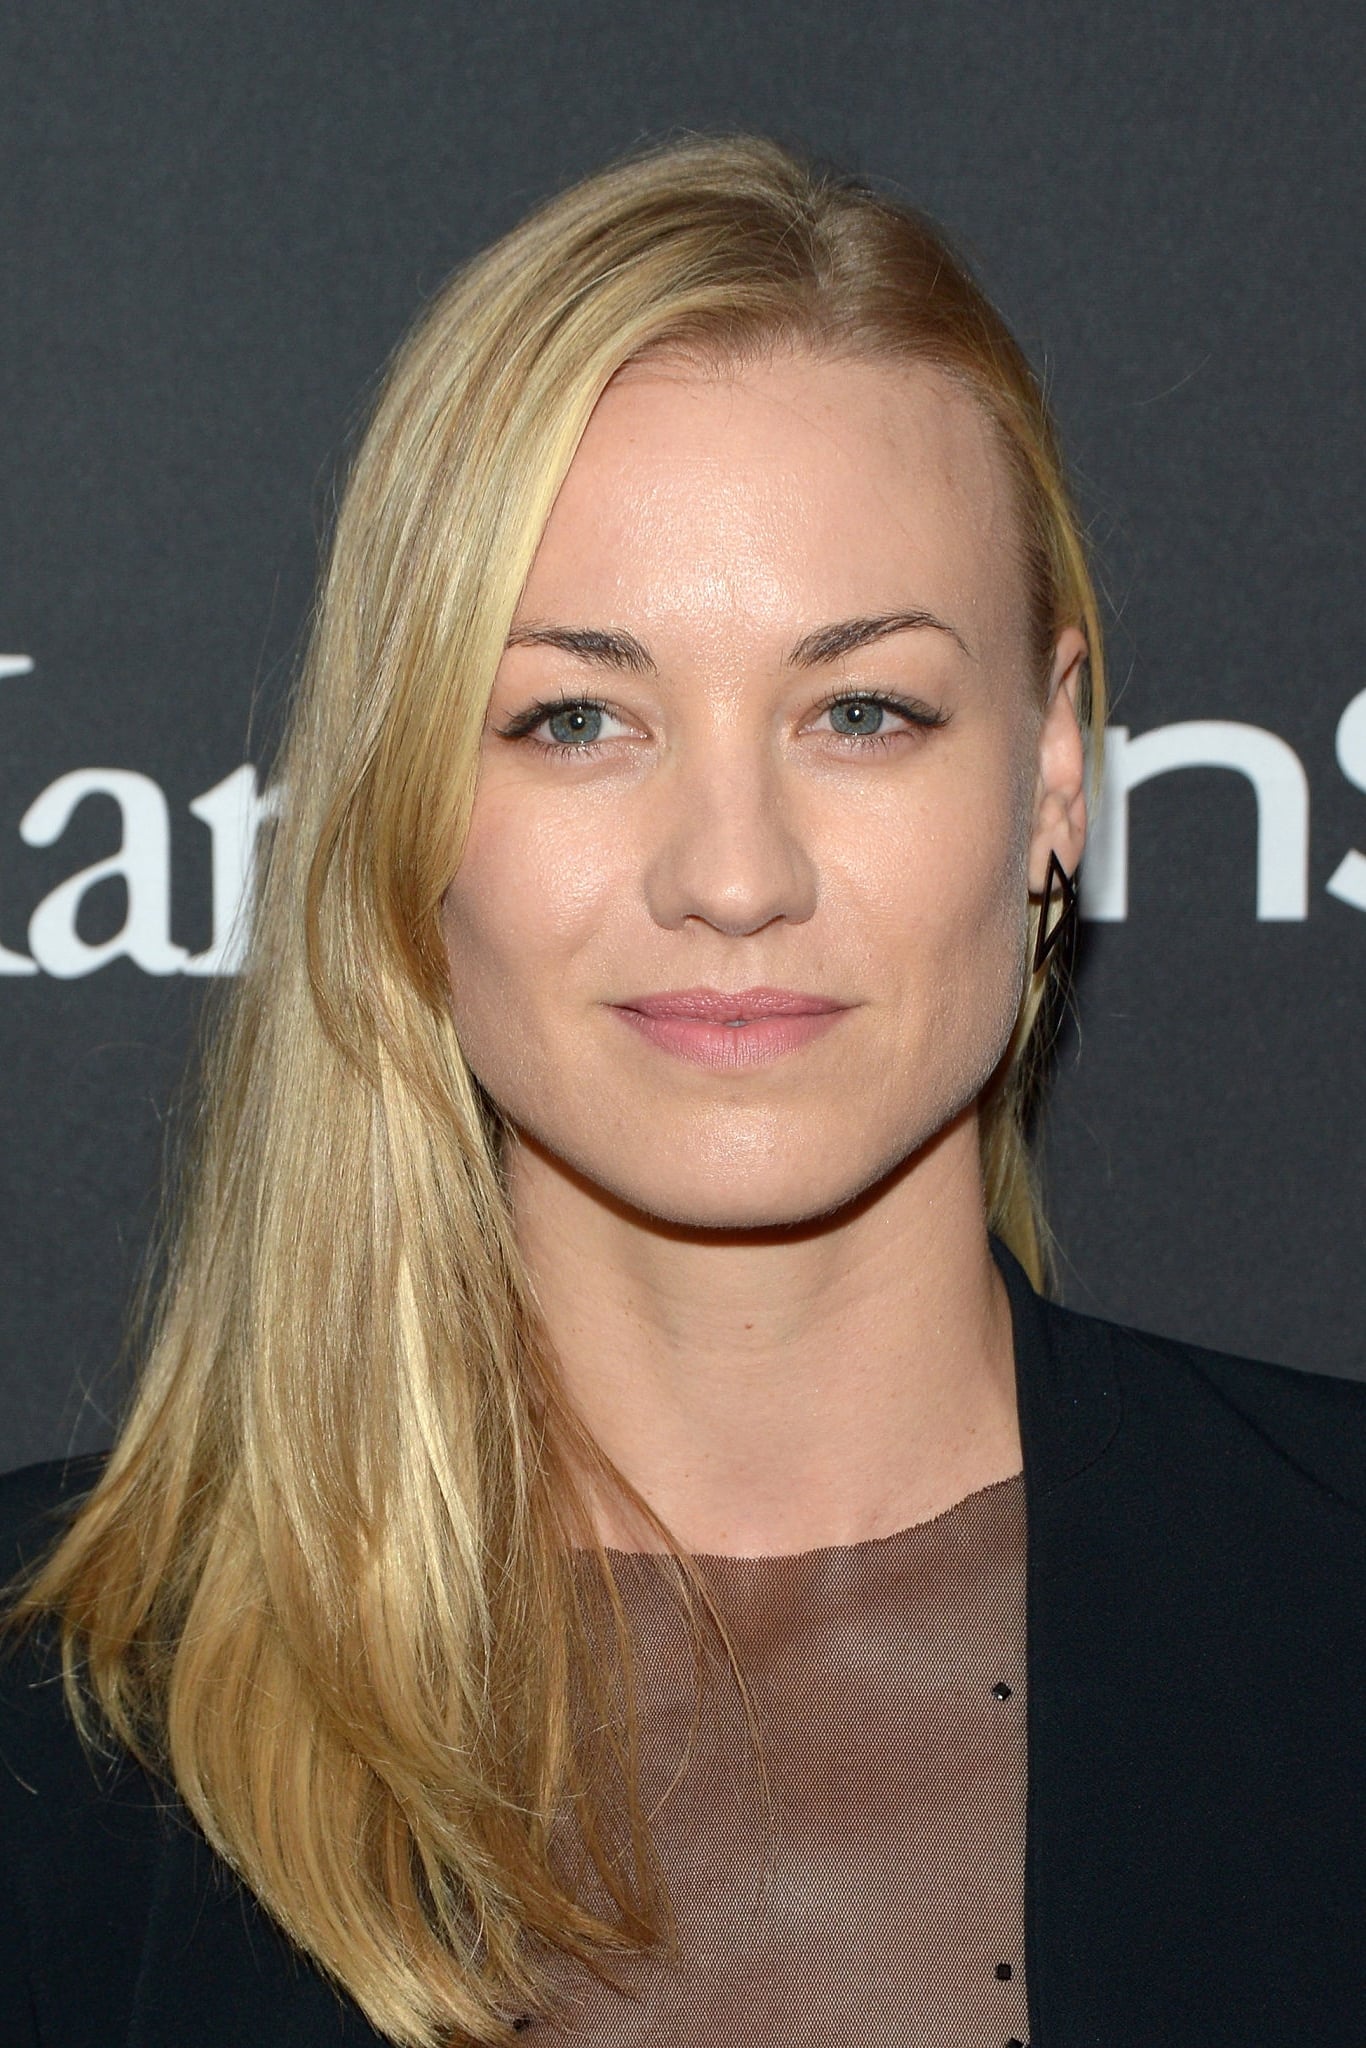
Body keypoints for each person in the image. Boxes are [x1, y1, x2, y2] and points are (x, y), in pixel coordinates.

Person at [1, 132, 1362, 2048]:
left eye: (861, 712)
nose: (732, 874)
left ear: (1052, 772)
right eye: (576, 718)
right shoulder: (50, 1713)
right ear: (404, 798)